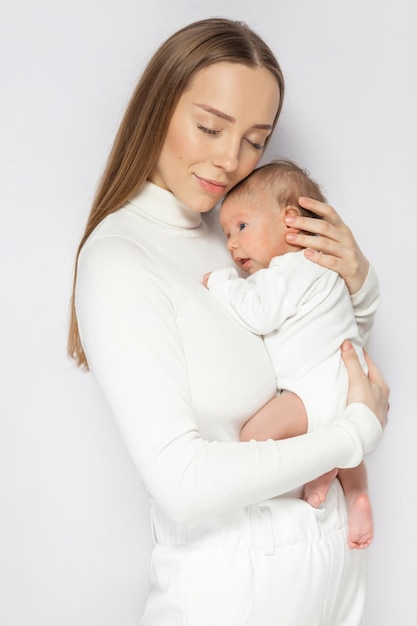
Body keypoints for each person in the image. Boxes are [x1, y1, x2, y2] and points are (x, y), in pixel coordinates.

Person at [68, 18, 389, 626]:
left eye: (255, 140)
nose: (229, 160)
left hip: (327, 571)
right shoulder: (119, 258)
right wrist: (352, 437)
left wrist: (358, 283)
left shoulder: (232, 230)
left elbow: (314, 360)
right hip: (238, 597)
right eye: (211, 127)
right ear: (158, 109)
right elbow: (181, 480)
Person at [203, 158, 375, 550]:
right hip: (348, 379)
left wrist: (221, 282)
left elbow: (258, 313)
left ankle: (322, 470)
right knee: (346, 435)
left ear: (291, 221)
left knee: (252, 436)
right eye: (227, 233)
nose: (231, 243)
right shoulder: (324, 269)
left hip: (313, 386)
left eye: (242, 226)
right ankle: (356, 492)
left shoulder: (290, 268)